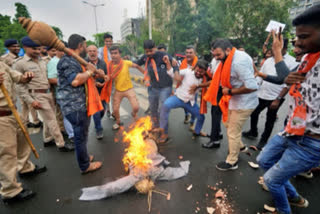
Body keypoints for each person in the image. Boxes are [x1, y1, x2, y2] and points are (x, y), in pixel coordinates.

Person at [257, 5, 320, 214]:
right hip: (293, 130)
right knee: (263, 160)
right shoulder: (309, 60)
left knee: (271, 180)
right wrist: (276, 59)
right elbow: (285, 76)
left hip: (311, 141)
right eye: (295, 38)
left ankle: (285, 210)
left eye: (303, 37)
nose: (298, 43)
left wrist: (277, 53)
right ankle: (295, 198)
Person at [204, 39, 258, 171]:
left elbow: (252, 86)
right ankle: (240, 147)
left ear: (228, 50)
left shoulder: (238, 62)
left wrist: (230, 91)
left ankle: (232, 161)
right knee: (228, 124)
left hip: (244, 103)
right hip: (233, 100)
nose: (216, 58)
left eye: (218, 55)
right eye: (214, 55)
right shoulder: (231, 57)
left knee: (232, 131)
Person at [13, 36, 73, 152]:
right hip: (37, 95)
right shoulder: (19, 64)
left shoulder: (42, 60)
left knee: (48, 118)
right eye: (34, 49)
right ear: (25, 47)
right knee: (52, 119)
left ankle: (47, 139)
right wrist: (31, 101)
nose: (37, 51)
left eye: (39, 49)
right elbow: (19, 86)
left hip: (48, 93)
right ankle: (61, 144)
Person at [57, 34, 105, 173]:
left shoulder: (77, 60)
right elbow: (76, 80)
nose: (86, 48)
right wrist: (90, 72)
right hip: (75, 106)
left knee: (82, 135)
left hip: (81, 104)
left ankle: (84, 157)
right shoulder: (67, 61)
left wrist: (95, 73)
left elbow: (86, 76)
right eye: (85, 45)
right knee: (80, 136)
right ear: (80, 46)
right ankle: (85, 166)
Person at [0, 61, 46, 204]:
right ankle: (10, 191)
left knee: (23, 141)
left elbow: (18, 77)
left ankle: (25, 168)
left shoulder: (1, 64)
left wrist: (27, 76)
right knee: (7, 153)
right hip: (1, 117)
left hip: (13, 111)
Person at [242, 39, 299, 150]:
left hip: (276, 96)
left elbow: (287, 84)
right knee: (254, 112)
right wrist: (255, 87)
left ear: (284, 48)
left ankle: (263, 140)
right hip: (262, 94)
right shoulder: (268, 60)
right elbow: (260, 75)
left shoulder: (293, 62)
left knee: (270, 119)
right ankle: (253, 132)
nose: (273, 50)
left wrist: (278, 99)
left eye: (275, 47)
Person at [157, 59, 208, 143]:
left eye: (201, 72)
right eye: (197, 71)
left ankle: (197, 132)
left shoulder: (205, 78)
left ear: (205, 71)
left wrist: (199, 85)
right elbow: (173, 73)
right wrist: (170, 65)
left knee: (201, 116)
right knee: (165, 105)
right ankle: (164, 132)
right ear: (195, 68)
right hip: (178, 98)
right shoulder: (188, 71)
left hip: (190, 102)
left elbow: (213, 81)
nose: (198, 73)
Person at [136, 40, 178, 128]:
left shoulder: (163, 55)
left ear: (155, 48)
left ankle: (163, 129)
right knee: (153, 109)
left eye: (151, 51)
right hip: (153, 87)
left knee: (163, 109)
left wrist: (176, 72)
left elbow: (175, 64)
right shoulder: (145, 57)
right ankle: (155, 126)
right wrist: (145, 74)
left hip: (165, 88)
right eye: (147, 51)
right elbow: (136, 64)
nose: (149, 53)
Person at [101, 46, 145, 130]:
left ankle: (134, 114)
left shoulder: (125, 63)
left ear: (120, 54)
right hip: (117, 91)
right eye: (112, 54)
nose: (113, 55)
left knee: (136, 107)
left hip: (129, 89)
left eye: (115, 53)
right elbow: (105, 75)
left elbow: (136, 66)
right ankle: (118, 122)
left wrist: (145, 74)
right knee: (115, 110)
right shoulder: (108, 66)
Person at [47, 44, 74, 144]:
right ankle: (72, 135)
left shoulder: (68, 60)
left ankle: (71, 132)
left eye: (65, 50)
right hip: (62, 94)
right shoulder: (53, 62)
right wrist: (67, 82)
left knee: (71, 114)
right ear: (56, 51)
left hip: (71, 94)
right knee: (67, 115)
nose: (63, 52)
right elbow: (51, 79)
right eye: (61, 50)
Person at [202, 42, 224, 149]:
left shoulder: (224, 61)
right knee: (215, 113)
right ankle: (217, 133)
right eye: (212, 52)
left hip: (222, 90)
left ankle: (215, 141)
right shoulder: (215, 60)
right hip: (216, 89)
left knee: (216, 114)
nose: (214, 55)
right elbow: (211, 74)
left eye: (216, 53)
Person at [87, 45, 107, 139]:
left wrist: (102, 84)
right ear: (87, 52)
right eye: (90, 51)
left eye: (94, 51)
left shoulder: (103, 63)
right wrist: (93, 82)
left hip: (101, 91)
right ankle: (98, 129)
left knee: (102, 110)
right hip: (90, 92)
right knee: (97, 111)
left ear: (97, 52)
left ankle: (98, 120)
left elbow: (106, 76)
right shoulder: (84, 63)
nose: (92, 53)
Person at [179, 45, 198, 125]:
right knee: (184, 104)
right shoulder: (183, 62)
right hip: (183, 88)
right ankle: (187, 115)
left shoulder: (199, 64)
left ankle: (192, 122)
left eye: (190, 52)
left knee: (193, 106)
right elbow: (179, 74)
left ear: (194, 53)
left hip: (194, 89)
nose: (188, 54)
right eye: (187, 53)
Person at [98, 33, 113, 118]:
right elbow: (99, 62)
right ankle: (107, 109)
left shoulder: (114, 50)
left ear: (112, 41)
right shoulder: (100, 51)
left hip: (113, 75)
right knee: (106, 93)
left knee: (113, 93)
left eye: (110, 41)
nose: (108, 43)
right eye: (107, 41)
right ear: (104, 42)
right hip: (104, 75)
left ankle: (113, 110)